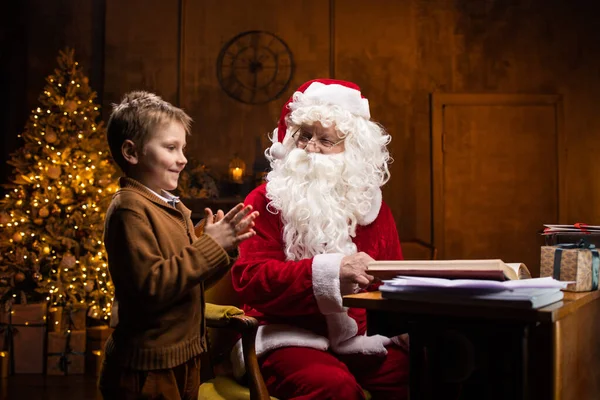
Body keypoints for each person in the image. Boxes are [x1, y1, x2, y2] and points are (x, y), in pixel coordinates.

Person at [230, 79, 409, 399]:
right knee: (332, 386)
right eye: (303, 135)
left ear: (352, 150)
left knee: (431, 370)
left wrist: (408, 328)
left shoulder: (373, 210)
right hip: (285, 337)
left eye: (326, 139)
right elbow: (249, 278)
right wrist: (330, 272)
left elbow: (393, 282)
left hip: (356, 340)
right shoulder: (264, 201)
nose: (311, 147)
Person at [99, 91, 259, 399]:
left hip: (184, 358)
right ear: (132, 152)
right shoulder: (130, 209)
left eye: (182, 147)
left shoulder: (173, 208)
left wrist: (222, 249)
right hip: (148, 369)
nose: (182, 158)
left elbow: (188, 282)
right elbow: (153, 286)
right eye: (171, 147)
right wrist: (209, 246)